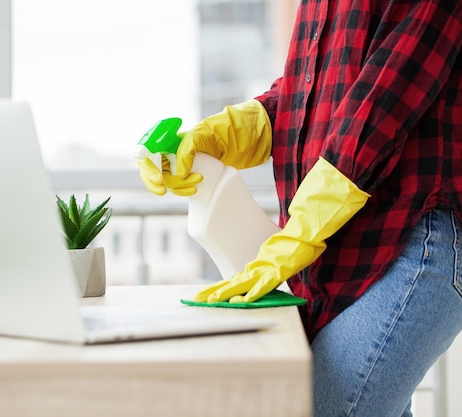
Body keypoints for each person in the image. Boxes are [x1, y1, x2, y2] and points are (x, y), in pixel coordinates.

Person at [138, 2, 462, 416]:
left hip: (417, 235)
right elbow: (309, 94)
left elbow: (381, 102)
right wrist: (227, 133)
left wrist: (304, 228)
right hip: (343, 244)